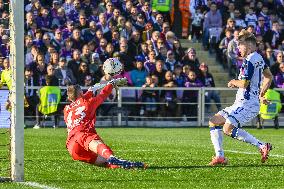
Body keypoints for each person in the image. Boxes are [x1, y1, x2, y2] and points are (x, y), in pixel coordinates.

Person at [208, 30, 273, 166]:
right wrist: (261, 95)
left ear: (248, 46)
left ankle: (261, 145)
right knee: (214, 121)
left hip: (247, 104)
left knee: (227, 129)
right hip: (242, 103)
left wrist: (233, 81)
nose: (238, 48)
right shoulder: (259, 57)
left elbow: (244, 83)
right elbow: (269, 76)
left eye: (240, 45)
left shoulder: (250, 60)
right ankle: (220, 157)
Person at [64, 77, 146, 169]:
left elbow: (79, 101)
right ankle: (111, 157)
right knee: (102, 150)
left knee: (104, 161)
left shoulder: (66, 109)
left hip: (71, 146)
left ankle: (125, 164)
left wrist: (91, 90)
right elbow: (103, 94)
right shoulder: (88, 103)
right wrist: (111, 84)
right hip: (81, 134)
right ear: (80, 93)